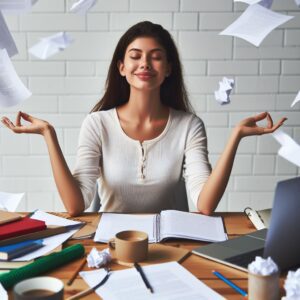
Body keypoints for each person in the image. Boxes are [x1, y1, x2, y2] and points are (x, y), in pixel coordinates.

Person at [1, 21, 286, 217]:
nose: (145, 64)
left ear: (169, 69)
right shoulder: (97, 124)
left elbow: (205, 204)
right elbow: (76, 206)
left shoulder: (189, 126)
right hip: (112, 246)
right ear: (122, 67)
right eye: (135, 56)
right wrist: (48, 134)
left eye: (156, 57)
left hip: (175, 245)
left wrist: (236, 135)